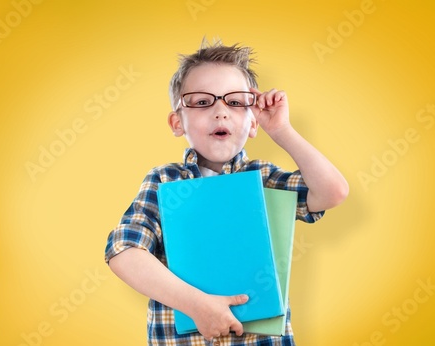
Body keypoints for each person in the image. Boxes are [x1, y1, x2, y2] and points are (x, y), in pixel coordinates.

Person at [104, 39, 349, 345]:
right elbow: (123, 252)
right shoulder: (164, 182)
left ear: (252, 122)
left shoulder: (263, 179)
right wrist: (197, 305)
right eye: (202, 102)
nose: (220, 112)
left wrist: (281, 130)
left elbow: (332, 191)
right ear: (177, 122)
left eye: (235, 102)